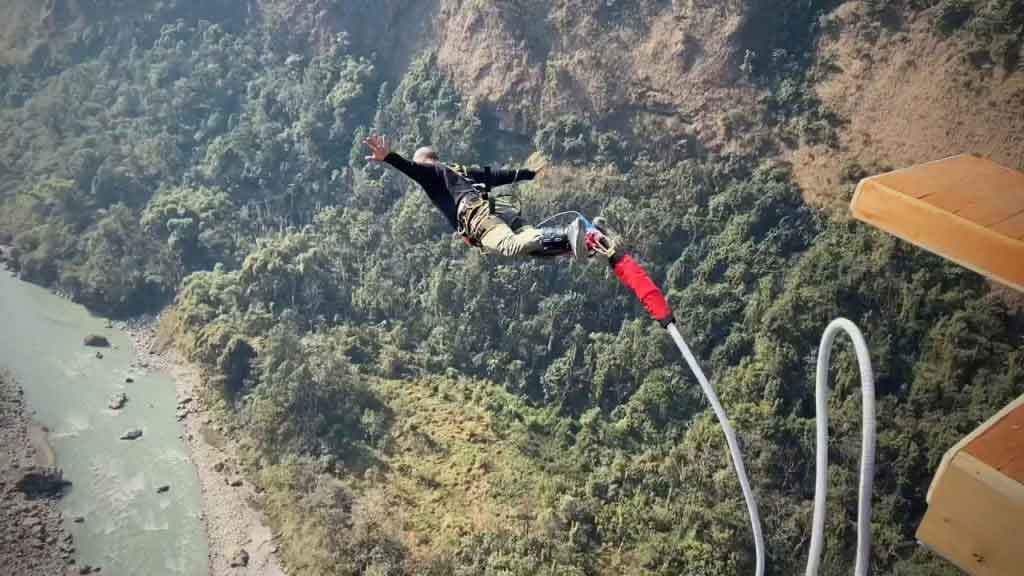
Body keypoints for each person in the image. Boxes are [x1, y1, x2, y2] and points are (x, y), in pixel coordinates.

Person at [363, 134, 588, 259]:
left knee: (509, 246)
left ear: (425, 160)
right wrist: (528, 174)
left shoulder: (430, 171)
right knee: (530, 243)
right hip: (496, 207)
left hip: (476, 215)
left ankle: (568, 233)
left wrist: (389, 157)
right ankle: (586, 242)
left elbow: (411, 168)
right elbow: (495, 176)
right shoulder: (460, 171)